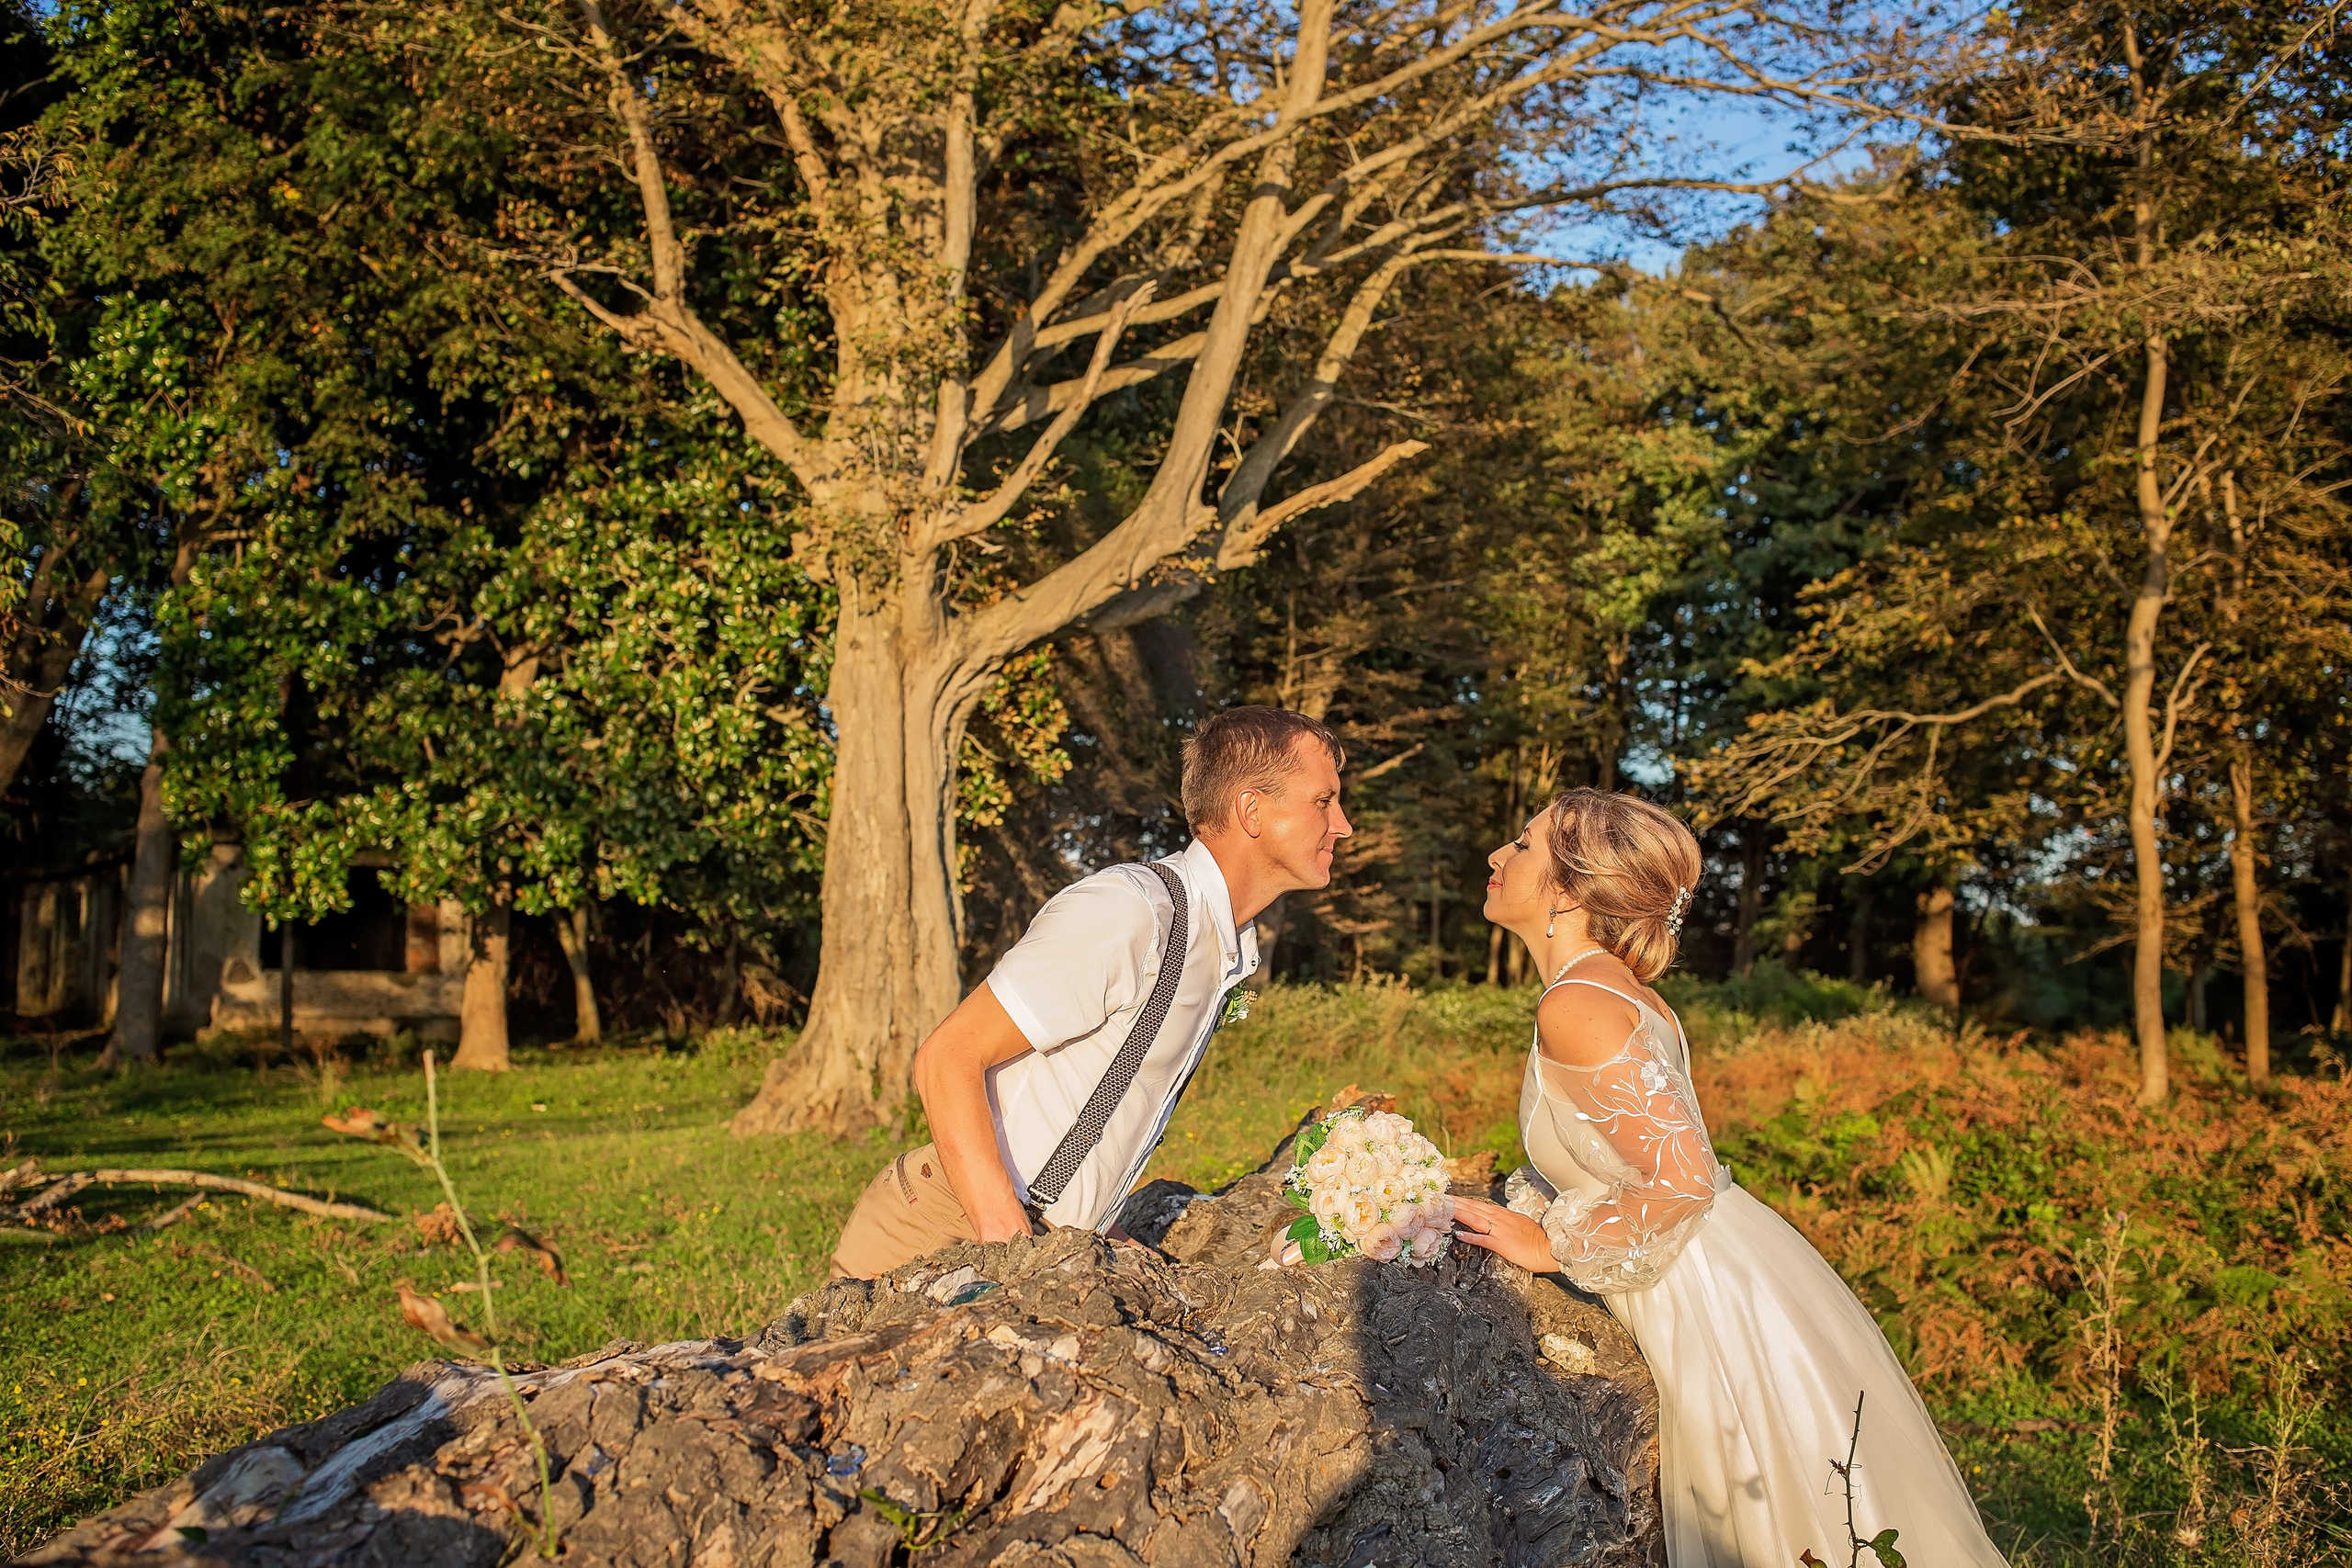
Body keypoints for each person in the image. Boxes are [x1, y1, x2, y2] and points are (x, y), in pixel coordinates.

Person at [1448, 788, 2010, 1568]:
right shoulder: (1626, 993)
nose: (1497, 856)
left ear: (1569, 889)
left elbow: (1680, 1180)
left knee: (1761, 1519)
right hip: (1724, 1255)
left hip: (1701, 1288)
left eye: (1522, 843)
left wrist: (1550, 1246)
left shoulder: (1576, 1002)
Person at [827, 705, 1352, 1280]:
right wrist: (1011, 1247)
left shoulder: (1222, 946)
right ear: (1251, 809)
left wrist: (1104, 1237)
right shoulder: (1133, 912)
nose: (1343, 824)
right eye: (1323, 801)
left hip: (1029, 1236)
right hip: (949, 1226)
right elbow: (946, 1058)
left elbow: (1094, 1107)